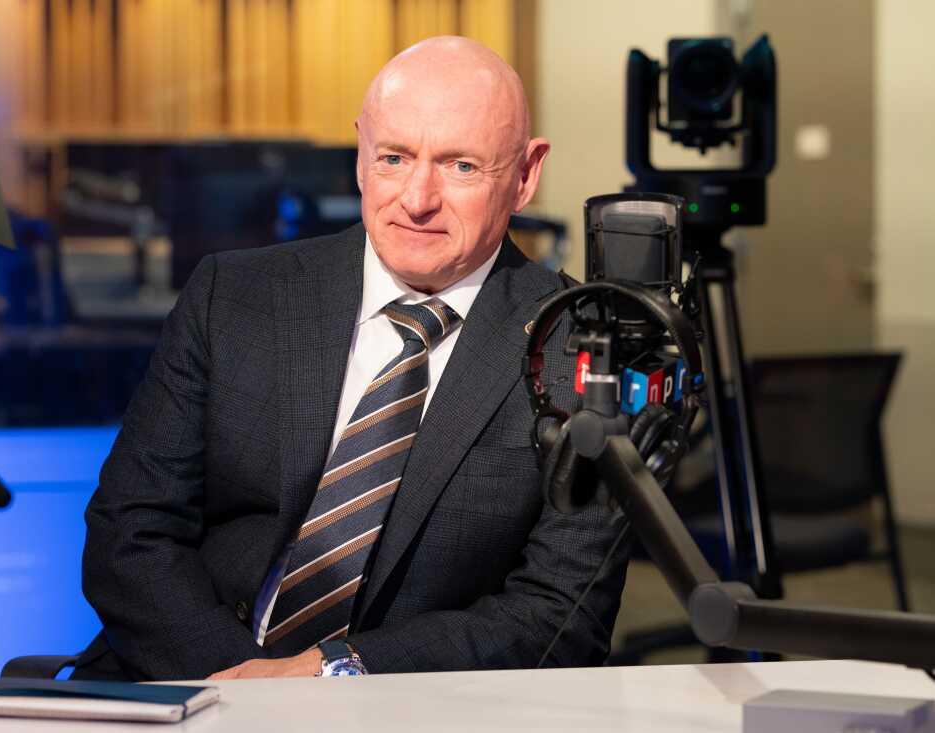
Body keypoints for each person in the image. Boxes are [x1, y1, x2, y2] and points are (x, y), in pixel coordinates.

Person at [74, 36, 629, 681]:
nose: (417, 200)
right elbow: (130, 530)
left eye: (461, 167)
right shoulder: (234, 295)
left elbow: (560, 614)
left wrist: (328, 675)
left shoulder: (583, 349)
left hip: (410, 711)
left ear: (526, 175)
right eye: (394, 158)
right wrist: (243, 690)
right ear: (362, 155)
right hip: (182, 684)